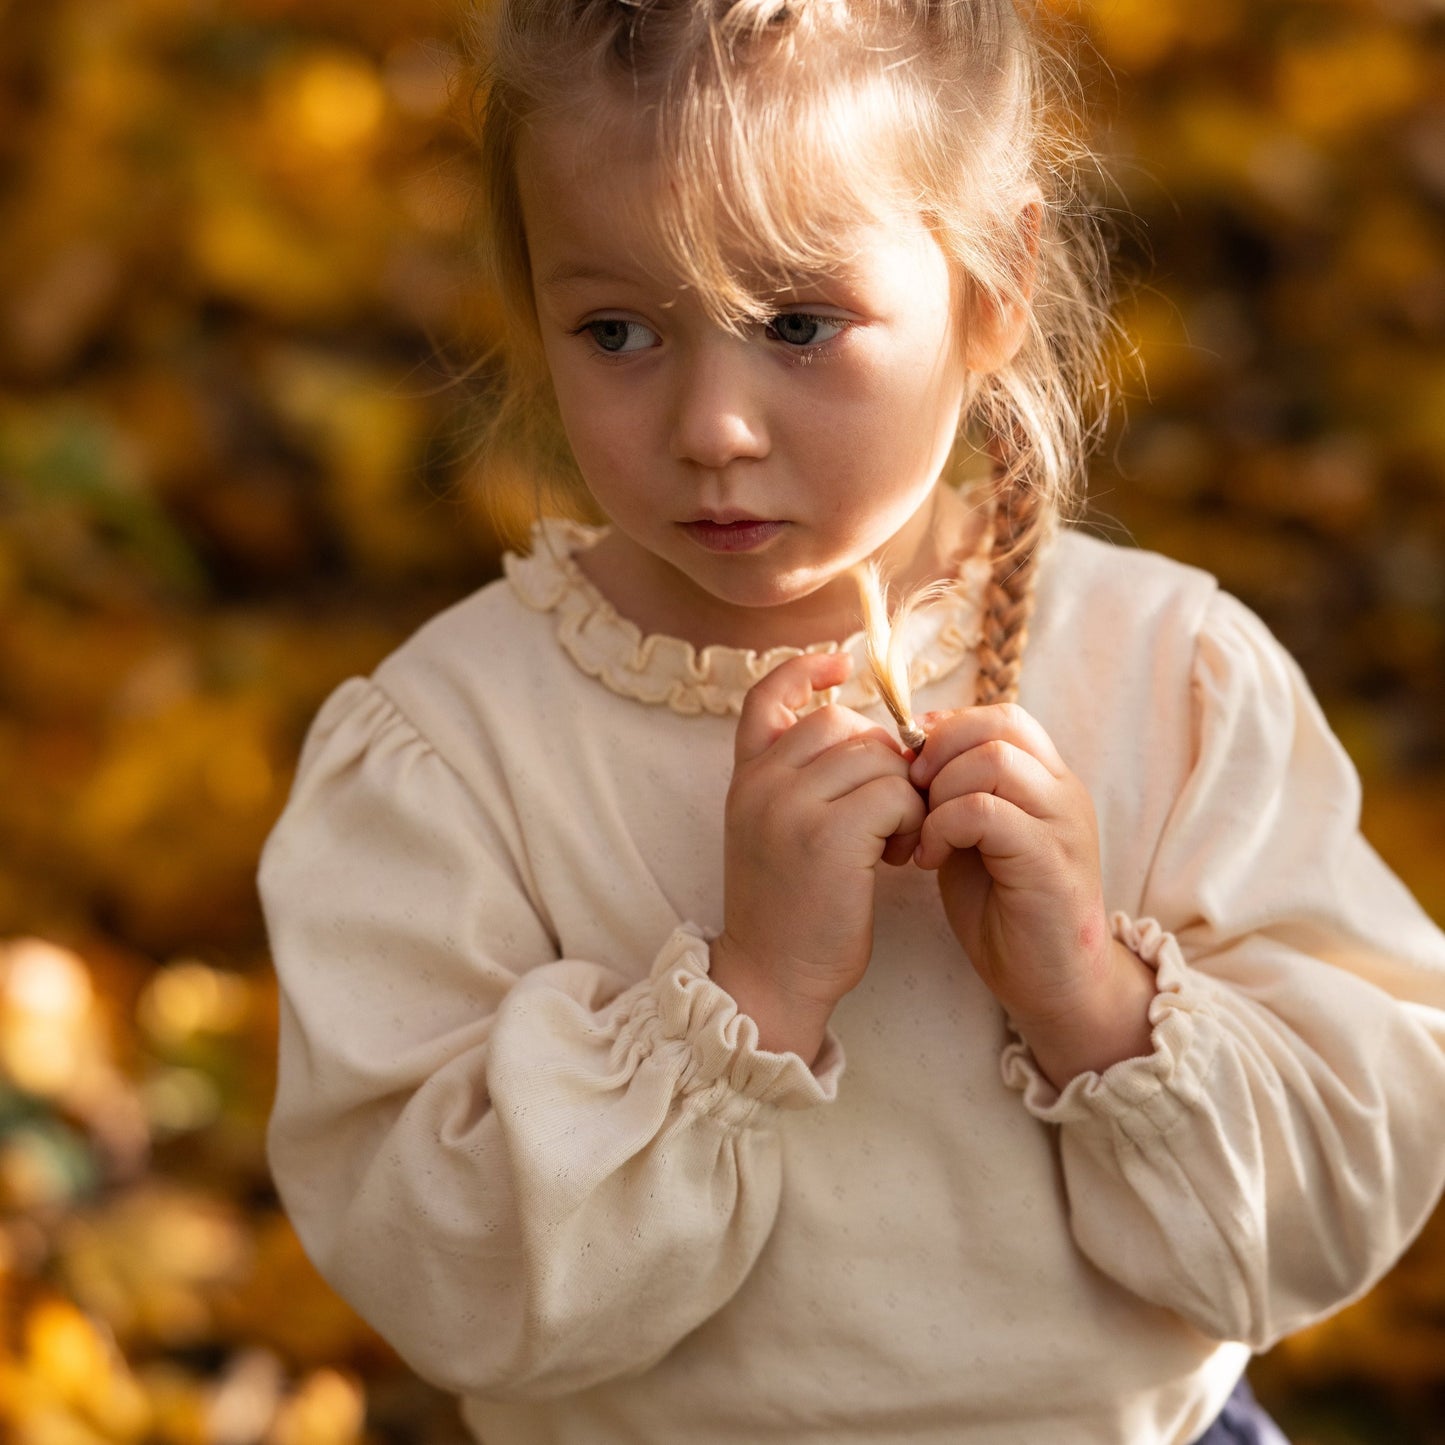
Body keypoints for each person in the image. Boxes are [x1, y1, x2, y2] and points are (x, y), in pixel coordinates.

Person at [258, 2, 1445, 1442]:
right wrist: (742, 999)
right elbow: (438, 1272)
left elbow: (1327, 1216)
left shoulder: (1167, 678)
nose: (712, 425)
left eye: (798, 324)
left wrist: (1089, 996)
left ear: (989, 287)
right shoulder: (453, 754)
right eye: (616, 328)